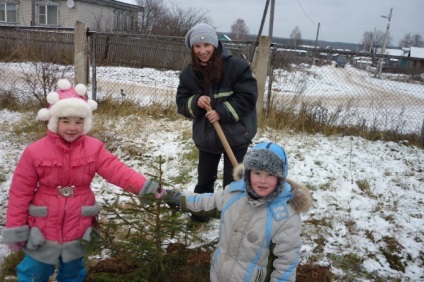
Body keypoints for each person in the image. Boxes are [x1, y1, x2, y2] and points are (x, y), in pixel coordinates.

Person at [2, 79, 161, 282]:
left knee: (74, 272)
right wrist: (15, 228)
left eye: (79, 121)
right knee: (34, 271)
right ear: (53, 121)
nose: (72, 127)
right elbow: (20, 192)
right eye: (65, 120)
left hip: (79, 222)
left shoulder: (94, 149)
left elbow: (119, 171)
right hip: (43, 225)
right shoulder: (35, 152)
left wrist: (145, 187)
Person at [161, 142, 312, 282]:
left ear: (280, 177)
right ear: (248, 173)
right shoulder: (234, 195)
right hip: (219, 275)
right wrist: (176, 198)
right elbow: (206, 202)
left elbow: (286, 265)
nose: (263, 180)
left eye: (270, 174)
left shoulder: (284, 216)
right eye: (257, 173)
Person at [176, 23, 258, 211]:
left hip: (236, 135)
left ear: (215, 45)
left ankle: (231, 214)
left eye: (207, 46)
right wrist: (196, 102)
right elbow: (181, 103)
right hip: (207, 138)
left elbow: (247, 97)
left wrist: (221, 112)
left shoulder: (237, 67)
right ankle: (201, 212)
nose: (202, 51)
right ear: (192, 48)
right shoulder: (189, 74)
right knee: (204, 180)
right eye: (197, 46)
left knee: (233, 182)